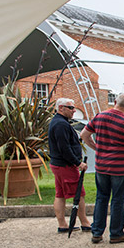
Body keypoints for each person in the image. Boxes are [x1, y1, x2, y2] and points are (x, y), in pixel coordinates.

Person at [80, 93, 124, 244]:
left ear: (115, 102)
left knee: (101, 198)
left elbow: (84, 135)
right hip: (120, 167)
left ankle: (97, 232)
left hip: (101, 166)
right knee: (118, 200)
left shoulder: (99, 117)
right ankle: (116, 233)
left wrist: (97, 148)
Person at [47, 98, 92, 233]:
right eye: (71, 108)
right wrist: (77, 163)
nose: (74, 111)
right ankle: (85, 222)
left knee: (60, 194)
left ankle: (63, 224)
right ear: (61, 108)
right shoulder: (60, 124)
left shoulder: (59, 122)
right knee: (78, 194)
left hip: (59, 163)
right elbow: (64, 147)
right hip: (65, 165)